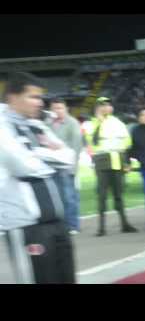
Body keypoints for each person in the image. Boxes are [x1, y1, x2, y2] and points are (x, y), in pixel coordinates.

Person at [0, 72, 76, 284]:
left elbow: (69, 157)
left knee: (66, 279)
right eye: (33, 97)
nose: (40, 103)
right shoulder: (2, 125)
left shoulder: (36, 125)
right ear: (13, 98)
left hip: (57, 221)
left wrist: (35, 153)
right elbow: (21, 165)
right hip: (26, 225)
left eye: (40, 97)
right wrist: (48, 155)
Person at [85, 97, 137, 236]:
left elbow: (126, 143)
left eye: (107, 105)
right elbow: (93, 141)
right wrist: (100, 123)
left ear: (111, 108)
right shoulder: (91, 124)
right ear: (97, 108)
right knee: (102, 196)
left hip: (117, 160)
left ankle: (125, 224)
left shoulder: (118, 123)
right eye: (102, 105)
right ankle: (101, 228)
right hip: (102, 161)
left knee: (119, 195)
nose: (105, 108)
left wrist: (126, 162)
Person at [47, 98, 83, 235]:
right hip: (51, 166)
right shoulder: (47, 123)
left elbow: (76, 146)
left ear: (66, 109)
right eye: (54, 108)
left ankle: (73, 225)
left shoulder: (72, 123)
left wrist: (72, 167)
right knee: (55, 198)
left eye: (60, 108)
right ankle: (60, 225)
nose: (57, 111)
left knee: (69, 197)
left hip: (66, 167)